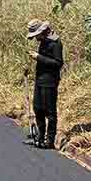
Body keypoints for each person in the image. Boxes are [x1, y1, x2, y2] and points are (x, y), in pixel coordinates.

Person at [26, 19, 63, 150]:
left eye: (36, 35)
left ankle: (50, 140)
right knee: (37, 108)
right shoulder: (43, 41)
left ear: (42, 31)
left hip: (50, 81)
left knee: (50, 111)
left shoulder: (55, 43)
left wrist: (38, 57)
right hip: (40, 79)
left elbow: (58, 63)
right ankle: (40, 137)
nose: (35, 38)